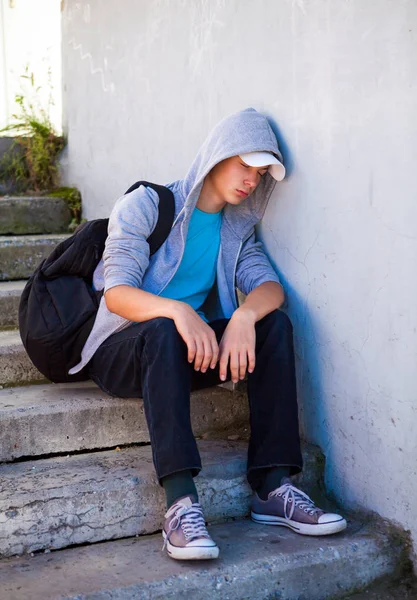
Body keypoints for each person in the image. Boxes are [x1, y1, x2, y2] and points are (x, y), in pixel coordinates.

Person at [69, 107, 347, 561]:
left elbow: (269, 288)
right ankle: (180, 503)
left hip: (184, 354)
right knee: (162, 329)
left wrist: (240, 318)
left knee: (271, 322)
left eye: (260, 174)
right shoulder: (146, 205)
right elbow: (117, 293)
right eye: (245, 166)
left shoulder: (236, 229)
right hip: (122, 348)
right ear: (216, 155)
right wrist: (178, 311)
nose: (251, 181)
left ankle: (273, 486)